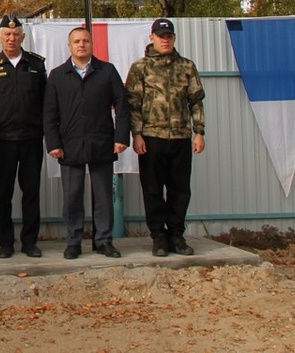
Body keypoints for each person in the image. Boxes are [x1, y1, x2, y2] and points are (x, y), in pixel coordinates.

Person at [44, 26, 130, 260]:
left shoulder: (107, 71)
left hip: (101, 142)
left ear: (92, 44)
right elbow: (49, 113)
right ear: (69, 46)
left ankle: (104, 241)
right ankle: (73, 242)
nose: (81, 45)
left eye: (85, 41)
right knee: (72, 197)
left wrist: (121, 137)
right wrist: (53, 143)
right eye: (76, 41)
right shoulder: (57, 75)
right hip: (69, 145)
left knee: (103, 197)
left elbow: (122, 106)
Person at [125, 18, 206, 257]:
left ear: (174, 38)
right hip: (151, 138)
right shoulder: (140, 67)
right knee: (152, 191)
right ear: (152, 38)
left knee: (180, 190)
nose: (165, 40)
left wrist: (199, 132)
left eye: (169, 36)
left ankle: (176, 236)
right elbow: (133, 104)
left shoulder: (187, 67)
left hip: (180, 137)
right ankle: (159, 237)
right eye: (161, 36)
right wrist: (136, 134)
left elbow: (196, 101)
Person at [0, 14, 47, 258]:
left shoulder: (36, 64)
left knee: (31, 193)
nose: (11, 38)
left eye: (16, 34)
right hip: (1, 140)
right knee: (3, 193)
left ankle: (29, 242)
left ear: (23, 37)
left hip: (31, 139)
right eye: (7, 34)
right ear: (0, 38)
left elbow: (46, 102)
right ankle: (5, 243)